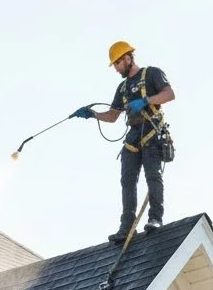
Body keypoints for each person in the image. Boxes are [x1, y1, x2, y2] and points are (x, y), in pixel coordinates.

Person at [73, 41, 175, 243]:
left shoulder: (151, 74)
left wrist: (146, 100)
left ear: (128, 58)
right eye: (115, 65)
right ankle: (127, 227)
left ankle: (155, 218)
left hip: (152, 132)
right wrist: (92, 114)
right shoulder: (123, 88)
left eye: (118, 63)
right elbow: (113, 116)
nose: (116, 68)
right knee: (127, 181)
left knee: (153, 176)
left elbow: (169, 94)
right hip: (133, 136)